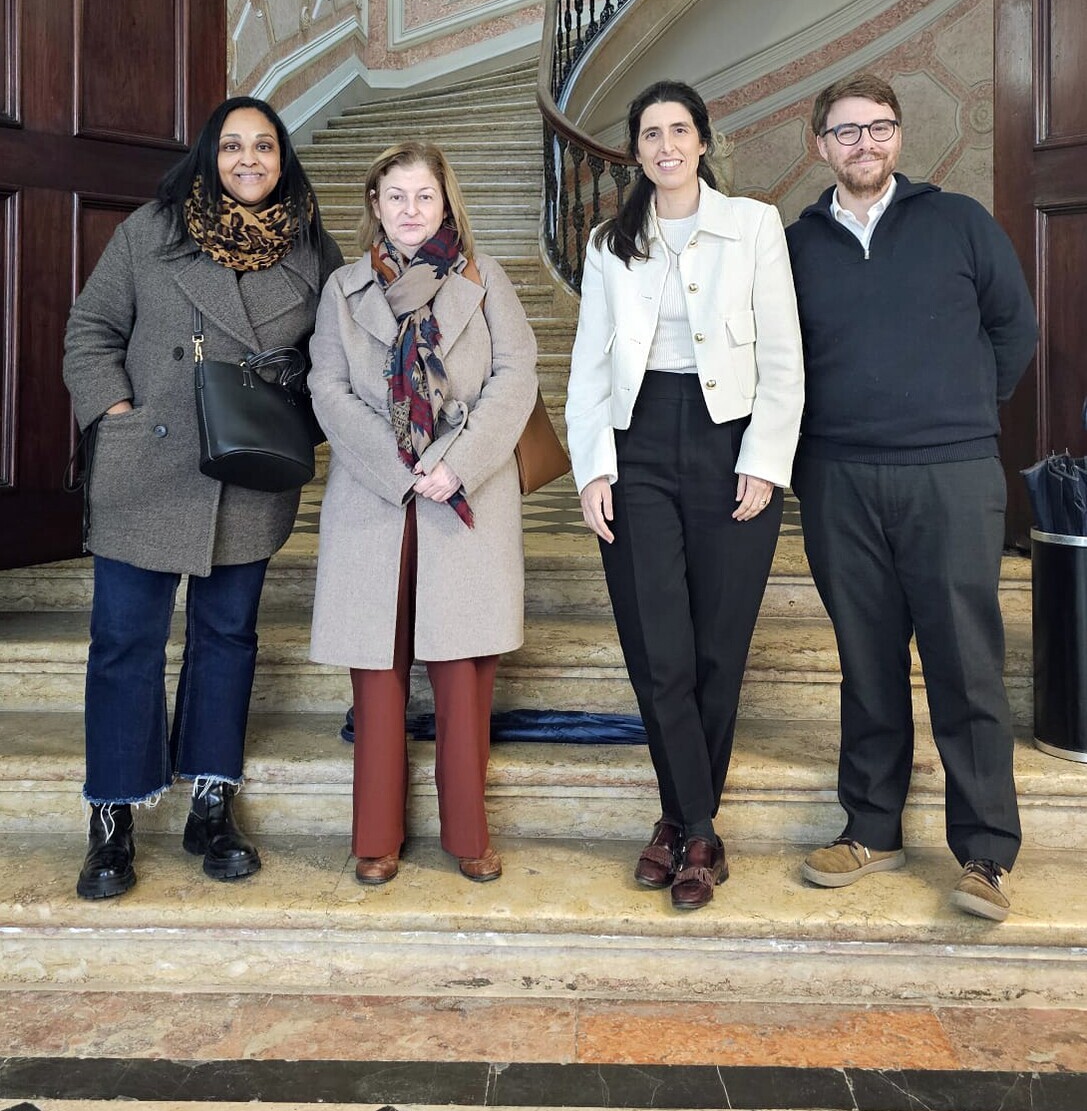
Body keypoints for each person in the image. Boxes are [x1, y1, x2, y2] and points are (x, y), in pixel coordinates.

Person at [63, 97, 342, 900]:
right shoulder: (150, 232)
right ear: (208, 156)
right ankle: (112, 818)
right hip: (146, 464)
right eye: (232, 146)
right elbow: (89, 331)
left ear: (283, 158)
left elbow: (341, 354)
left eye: (264, 146)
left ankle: (210, 806)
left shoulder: (312, 248)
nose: (249, 159)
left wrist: (301, 395)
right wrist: (117, 411)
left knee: (226, 639)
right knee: (124, 642)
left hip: (247, 469)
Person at [786, 72, 1037, 922]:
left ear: (897, 135)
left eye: (879, 127)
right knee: (865, 661)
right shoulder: (793, 245)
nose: (864, 144)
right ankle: (870, 828)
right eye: (846, 131)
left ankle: (985, 853)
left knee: (965, 665)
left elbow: (1014, 328)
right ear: (818, 144)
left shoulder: (958, 222)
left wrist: (958, 412)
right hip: (837, 478)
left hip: (950, 475)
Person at [565, 81, 804, 909]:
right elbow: (589, 363)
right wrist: (592, 468)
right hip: (635, 444)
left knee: (715, 650)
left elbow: (783, 355)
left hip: (728, 441)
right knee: (655, 647)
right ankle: (699, 831)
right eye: (649, 134)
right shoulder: (610, 242)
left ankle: (676, 824)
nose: (664, 145)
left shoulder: (753, 225)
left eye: (678, 130)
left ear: (703, 140)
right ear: (635, 151)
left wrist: (764, 459)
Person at [308, 142, 538, 886]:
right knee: (377, 675)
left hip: (465, 495)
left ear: (446, 204)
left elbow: (516, 378)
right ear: (375, 205)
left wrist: (456, 464)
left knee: (463, 671)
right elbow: (327, 388)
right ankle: (375, 836)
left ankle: (468, 835)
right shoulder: (343, 289)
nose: (411, 210)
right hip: (376, 495)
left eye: (424, 196)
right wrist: (401, 466)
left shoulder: (484, 279)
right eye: (396, 196)